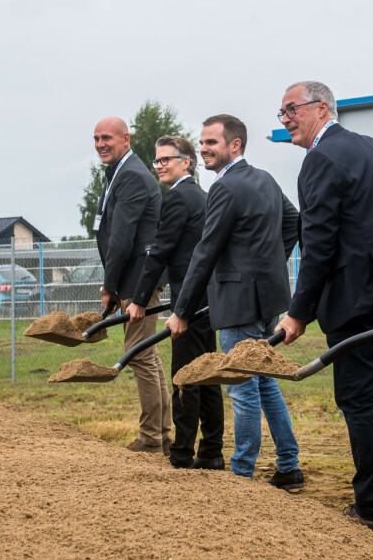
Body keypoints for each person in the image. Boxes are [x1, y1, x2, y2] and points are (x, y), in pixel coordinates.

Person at [275, 81, 373, 536]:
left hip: (352, 301)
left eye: (292, 109)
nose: (285, 118)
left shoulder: (320, 160)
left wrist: (298, 311)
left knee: (359, 401)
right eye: (281, 111)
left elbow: (319, 245)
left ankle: (372, 508)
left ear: (321, 108)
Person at [165, 115, 303, 488]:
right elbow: (293, 222)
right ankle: (289, 465)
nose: (204, 149)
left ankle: (241, 472)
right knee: (263, 383)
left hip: (238, 301)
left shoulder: (225, 188)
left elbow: (205, 252)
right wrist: (269, 264)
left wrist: (182, 311)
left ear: (235, 145)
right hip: (267, 298)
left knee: (241, 387)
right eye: (202, 142)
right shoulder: (265, 179)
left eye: (212, 142)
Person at [127, 136, 225, 470]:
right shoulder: (202, 195)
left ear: (186, 162)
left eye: (166, 159)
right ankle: (211, 450)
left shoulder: (178, 198)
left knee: (185, 375)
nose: (159, 166)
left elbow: (160, 253)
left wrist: (139, 300)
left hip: (188, 300)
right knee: (208, 374)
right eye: (156, 161)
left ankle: (182, 453)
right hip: (208, 299)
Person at [93, 117, 171, 454]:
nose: (100, 144)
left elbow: (122, 240)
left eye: (107, 137)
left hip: (137, 282)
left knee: (138, 355)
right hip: (135, 280)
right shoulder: (120, 174)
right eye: (96, 138)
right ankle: (165, 435)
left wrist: (109, 288)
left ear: (126, 139)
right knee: (148, 355)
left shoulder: (132, 177)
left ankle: (151, 438)